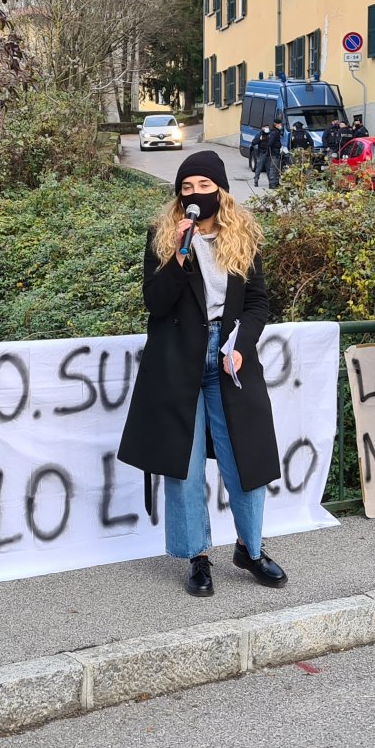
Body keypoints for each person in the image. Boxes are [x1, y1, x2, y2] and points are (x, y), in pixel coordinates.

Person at [119, 151, 287, 596]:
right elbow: (155, 303)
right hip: (177, 362)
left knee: (246, 459)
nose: (194, 195)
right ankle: (197, 556)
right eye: (186, 187)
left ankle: (250, 549)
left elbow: (257, 303)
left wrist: (242, 347)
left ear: (220, 191)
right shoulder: (164, 236)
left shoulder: (243, 235)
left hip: (227, 359)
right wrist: (178, 254)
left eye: (203, 186)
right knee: (185, 466)